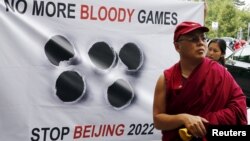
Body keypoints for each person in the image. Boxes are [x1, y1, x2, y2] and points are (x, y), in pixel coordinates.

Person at [153, 21, 247, 141]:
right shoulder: (166, 79)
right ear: (177, 46)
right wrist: (183, 118)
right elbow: (158, 121)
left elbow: (239, 105)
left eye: (203, 38)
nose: (201, 43)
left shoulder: (219, 72)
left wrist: (206, 121)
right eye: (193, 39)